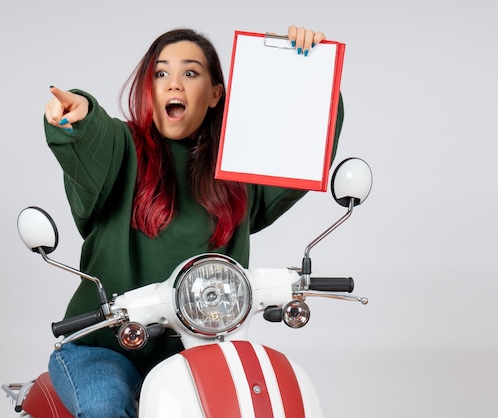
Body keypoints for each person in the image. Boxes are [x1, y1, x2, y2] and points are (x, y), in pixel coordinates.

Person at [43, 24, 344, 418]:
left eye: (190, 73)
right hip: (106, 347)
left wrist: (311, 71)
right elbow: (95, 140)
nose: (174, 84)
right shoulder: (124, 149)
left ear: (215, 93)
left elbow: (299, 151)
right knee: (106, 407)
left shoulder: (237, 170)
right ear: (148, 89)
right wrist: (79, 118)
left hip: (201, 351)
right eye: (161, 73)